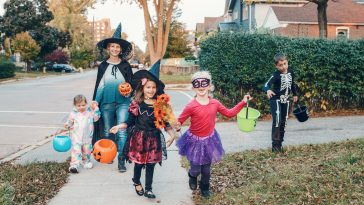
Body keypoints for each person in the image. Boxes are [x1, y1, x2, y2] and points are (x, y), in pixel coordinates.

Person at [175, 71, 251, 198]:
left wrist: (243, 102)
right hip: (194, 141)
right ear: (193, 87)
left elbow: (229, 113)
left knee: (206, 170)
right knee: (196, 168)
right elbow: (180, 120)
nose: (201, 86)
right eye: (197, 83)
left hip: (209, 140)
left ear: (210, 86)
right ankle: (192, 176)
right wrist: (177, 124)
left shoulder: (215, 103)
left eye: (204, 83)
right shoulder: (191, 106)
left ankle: (205, 187)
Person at [110, 70, 175, 199]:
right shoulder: (137, 104)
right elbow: (129, 122)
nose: (151, 90)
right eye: (148, 87)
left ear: (157, 89)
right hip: (139, 138)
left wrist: (172, 135)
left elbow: (165, 123)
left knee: (151, 164)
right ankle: (136, 180)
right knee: (139, 164)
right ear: (143, 88)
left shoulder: (160, 105)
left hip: (154, 138)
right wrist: (118, 126)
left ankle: (149, 189)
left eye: (153, 87)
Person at [92, 24, 134, 172]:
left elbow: (131, 85)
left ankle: (121, 159)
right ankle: (108, 153)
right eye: (112, 46)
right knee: (107, 130)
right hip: (106, 103)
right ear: (108, 48)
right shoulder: (103, 66)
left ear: (121, 49)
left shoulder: (125, 66)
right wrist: (96, 101)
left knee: (122, 130)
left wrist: (129, 93)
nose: (115, 49)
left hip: (123, 103)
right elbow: (101, 86)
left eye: (118, 47)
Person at [263, 53, 298, 152]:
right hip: (276, 100)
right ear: (276, 66)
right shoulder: (276, 75)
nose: (283, 67)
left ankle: (280, 144)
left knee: (284, 122)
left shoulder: (290, 72)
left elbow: (292, 83)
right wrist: (268, 90)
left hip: (286, 100)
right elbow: (266, 85)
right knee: (277, 122)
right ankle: (275, 146)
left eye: (285, 64)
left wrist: (295, 94)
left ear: (287, 62)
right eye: (280, 65)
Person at [64, 94, 100, 173]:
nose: (81, 107)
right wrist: (68, 125)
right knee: (76, 151)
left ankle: (86, 162)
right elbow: (70, 121)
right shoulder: (73, 113)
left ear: (86, 103)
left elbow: (96, 118)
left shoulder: (89, 112)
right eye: (79, 105)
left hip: (87, 136)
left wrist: (95, 108)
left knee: (87, 151)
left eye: (83, 105)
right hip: (76, 136)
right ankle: (74, 165)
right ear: (75, 105)